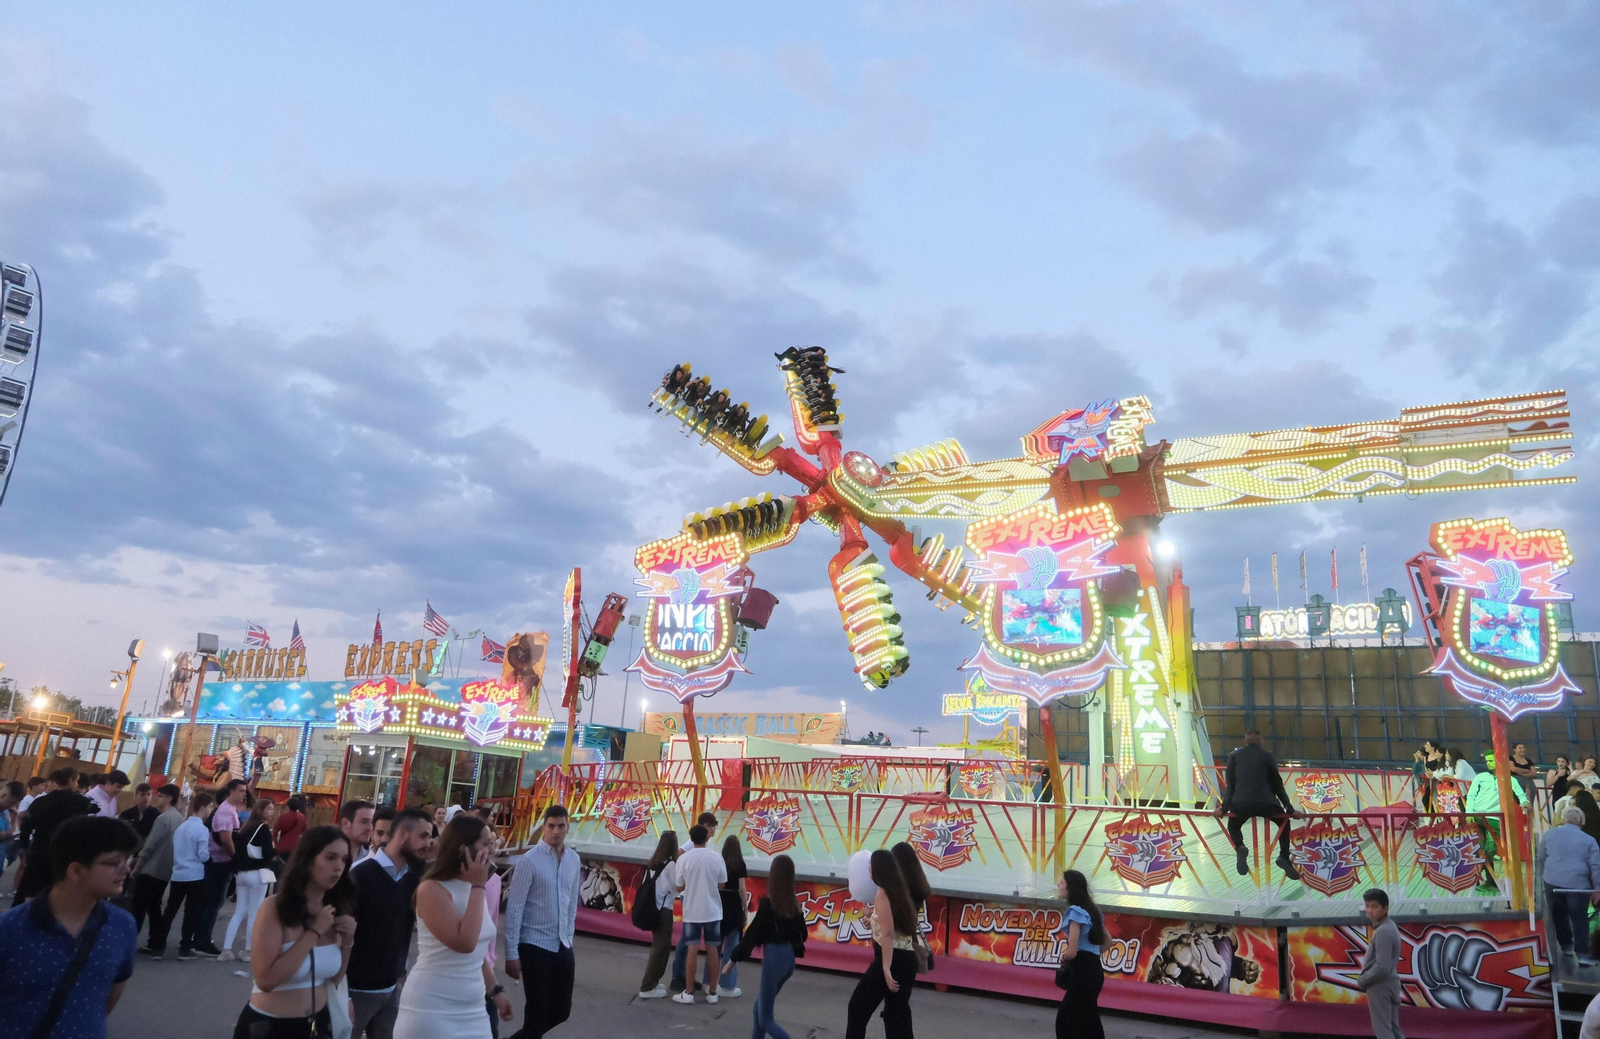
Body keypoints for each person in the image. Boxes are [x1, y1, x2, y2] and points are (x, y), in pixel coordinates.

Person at [0, 815, 140, 1039]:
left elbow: (109, 995)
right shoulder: (11, 929)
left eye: (128, 860)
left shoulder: (122, 925)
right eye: (114, 863)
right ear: (75, 870)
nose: (125, 870)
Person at [394, 814, 509, 1039]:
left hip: (473, 1008)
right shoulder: (432, 889)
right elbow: (464, 943)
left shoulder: (473, 889)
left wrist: (495, 990)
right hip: (432, 1008)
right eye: (486, 844)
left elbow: (477, 951)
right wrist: (478, 884)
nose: (492, 850)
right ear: (464, 849)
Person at [235, 826, 356, 1039]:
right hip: (270, 1026)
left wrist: (347, 942)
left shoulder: (333, 911)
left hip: (318, 1024)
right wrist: (315, 932)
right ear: (308, 860)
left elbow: (333, 979)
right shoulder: (274, 908)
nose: (339, 867)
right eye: (330, 858)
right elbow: (266, 980)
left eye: (344, 859)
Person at [348, 807, 431, 1039]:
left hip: (392, 989)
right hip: (357, 990)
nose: (428, 842)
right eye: (423, 836)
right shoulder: (361, 875)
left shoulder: (412, 877)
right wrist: (342, 992)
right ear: (403, 834)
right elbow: (340, 936)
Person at [504, 804, 580, 1038]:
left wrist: (569, 935)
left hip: (562, 943)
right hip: (533, 944)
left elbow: (571, 904)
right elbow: (514, 908)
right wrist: (511, 954)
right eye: (551, 826)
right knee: (537, 1010)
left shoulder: (574, 859)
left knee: (561, 1010)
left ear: (568, 828)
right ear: (544, 827)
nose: (556, 831)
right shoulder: (529, 861)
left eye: (561, 826)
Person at [727, 853, 807, 1039]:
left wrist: (733, 959)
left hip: (774, 958)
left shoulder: (768, 905)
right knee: (759, 1010)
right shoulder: (794, 905)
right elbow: (803, 935)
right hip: (789, 960)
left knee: (765, 1018)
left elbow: (752, 935)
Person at [845, 849, 917, 1039]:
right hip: (906, 959)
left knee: (857, 1007)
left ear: (878, 869)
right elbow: (891, 924)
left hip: (892, 959)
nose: (868, 868)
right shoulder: (897, 889)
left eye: (871, 865)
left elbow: (888, 933)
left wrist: (885, 968)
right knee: (896, 1015)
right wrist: (872, 919)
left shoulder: (883, 894)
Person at [1215, 730, 1301, 880]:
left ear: (1245, 740)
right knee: (1284, 823)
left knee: (1234, 825)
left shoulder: (1234, 756)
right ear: (1260, 740)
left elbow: (1231, 786)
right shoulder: (1267, 756)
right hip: (1266, 803)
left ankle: (1240, 847)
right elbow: (1277, 784)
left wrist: (1223, 808)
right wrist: (1290, 809)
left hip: (1240, 803)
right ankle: (1283, 857)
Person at [13, 765, 96, 904]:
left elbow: (26, 829)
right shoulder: (81, 802)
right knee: (56, 896)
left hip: (39, 852)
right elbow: (92, 815)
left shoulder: (39, 802)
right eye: (76, 781)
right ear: (70, 780)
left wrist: (25, 851)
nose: (76, 785)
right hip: (64, 855)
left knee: (31, 893)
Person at [152, 790, 216, 959]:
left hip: (178, 874)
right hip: (195, 874)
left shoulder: (182, 827)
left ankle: (158, 946)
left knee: (170, 910)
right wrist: (209, 856)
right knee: (191, 912)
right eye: (209, 807)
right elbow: (203, 855)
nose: (210, 810)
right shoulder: (201, 830)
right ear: (202, 808)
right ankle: (185, 947)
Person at [672, 823, 727, 1005]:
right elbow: (721, 884)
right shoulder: (717, 857)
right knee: (713, 950)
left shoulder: (684, 859)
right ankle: (712, 992)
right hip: (713, 910)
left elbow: (679, 886)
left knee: (691, 950)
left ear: (691, 838)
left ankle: (688, 992)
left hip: (692, 910)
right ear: (706, 837)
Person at [222, 798, 281, 962]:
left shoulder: (245, 828)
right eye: (269, 809)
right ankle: (248, 950)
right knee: (254, 913)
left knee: (239, 911)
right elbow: (267, 851)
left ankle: (226, 949)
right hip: (257, 874)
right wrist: (275, 851)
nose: (272, 812)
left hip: (241, 875)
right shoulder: (263, 829)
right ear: (261, 810)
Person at [196, 779, 249, 956]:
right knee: (214, 902)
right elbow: (226, 839)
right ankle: (204, 940)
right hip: (219, 861)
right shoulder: (226, 811)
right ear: (231, 791)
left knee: (210, 901)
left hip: (219, 861)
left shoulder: (230, 810)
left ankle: (200, 938)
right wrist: (236, 858)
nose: (244, 794)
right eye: (241, 790)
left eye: (244, 791)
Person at [1541, 806, 1600, 963]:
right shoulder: (1589, 840)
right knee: (1579, 918)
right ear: (1581, 823)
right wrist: (1597, 889)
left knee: (1558, 915)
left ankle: (1566, 946)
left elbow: (1541, 857)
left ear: (1564, 819)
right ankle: (1583, 955)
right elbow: (1596, 866)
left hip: (1552, 881)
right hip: (1578, 885)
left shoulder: (1549, 834)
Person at [1466, 753, 1530, 892]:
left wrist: (1525, 802)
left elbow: (1520, 795)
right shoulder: (1480, 777)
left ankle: (1475, 873)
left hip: (1494, 819)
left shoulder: (1509, 779)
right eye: (1487, 761)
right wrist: (1469, 811)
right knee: (1480, 849)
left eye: (1491, 760)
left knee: (1489, 849)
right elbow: (1471, 795)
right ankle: (1487, 880)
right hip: (1477, 816)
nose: (1488, 763)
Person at [1053, 869, 1106, 1039]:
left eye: (1061, 882)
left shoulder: (1075, 912)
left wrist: (1063, 957)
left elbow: (1072, 951)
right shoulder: (1092, 911)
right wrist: (1092, 956)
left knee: (1065, 1020)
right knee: (1089, 1017)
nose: (1058, 885)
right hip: (1095, 970)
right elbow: (1109, 941)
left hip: (1082, 972)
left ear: (1070, 888)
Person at [129, 784, 182, 942]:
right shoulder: (179, 818)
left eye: (160, 795)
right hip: (166, 869)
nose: (156, 798)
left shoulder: (162, 818)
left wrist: (137, 867)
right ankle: (156, 941)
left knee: (138, 906)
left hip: (151, 868)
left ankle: (131, 939)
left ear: (169, 798)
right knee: (154, 906)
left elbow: (149, 845)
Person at [637, 830, 681, 998]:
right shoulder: (671, 865)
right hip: (664, 910)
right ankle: (647, 986)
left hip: (653, 909)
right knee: (661, 948)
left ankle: (653, 982)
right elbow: (676, 889)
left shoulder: (652, 862)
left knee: (659, 946)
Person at [1356, 889, 1404, 1039]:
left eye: (1375, 907)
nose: (1370, 911)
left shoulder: (1383, 931)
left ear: (1385, 908)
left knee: (1383, 1031)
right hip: (1389, 983)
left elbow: (1382, 967)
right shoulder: (1389, 926)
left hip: (1380, 986)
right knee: (1393, 1028)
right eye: (1367, 906)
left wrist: (1363, 980)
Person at [718, 835, 749, 998]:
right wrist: (745, 909)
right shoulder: (740, 864)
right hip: (734, 905)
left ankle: (709, 981)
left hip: (719, 903)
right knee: (732, 945)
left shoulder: (719, 861)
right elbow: (742, 889)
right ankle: (727, 984)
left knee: (714, 945)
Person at [0, 781, 21, 876]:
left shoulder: (5, 812)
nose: (12, 806)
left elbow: (11, 832)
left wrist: (15, 817)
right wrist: (7, 834)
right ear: (3, 796)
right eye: (11, 802)